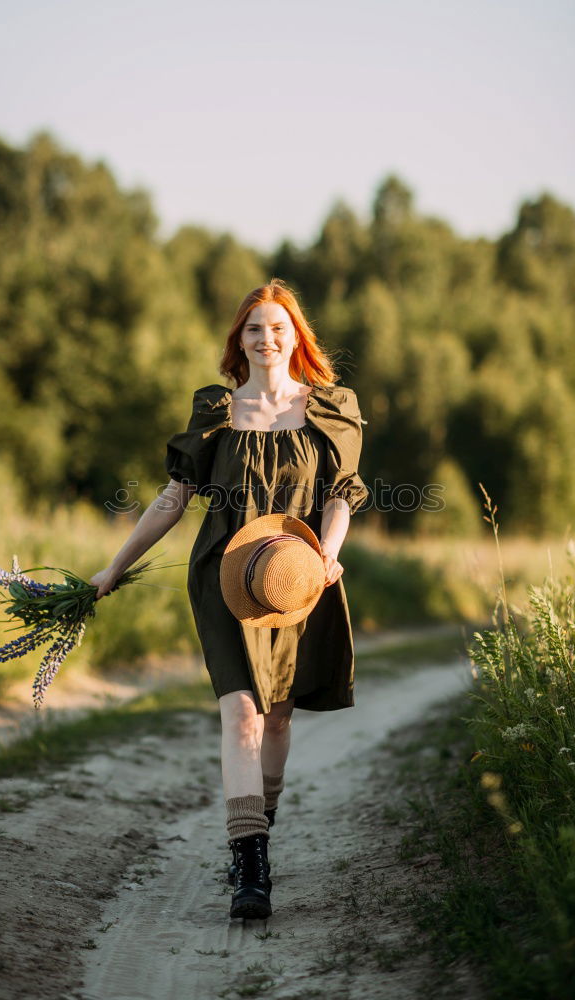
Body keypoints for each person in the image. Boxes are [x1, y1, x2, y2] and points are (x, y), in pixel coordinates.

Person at [90, 278, 369, 920]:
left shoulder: (330, 408)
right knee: (241, 712)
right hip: (222, 575)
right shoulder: (216, 411)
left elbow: (342, 492)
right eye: (253, 328)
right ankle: (250, 866)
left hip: (298, 578)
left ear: (296, 336)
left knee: (276, 717)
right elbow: (174, 498)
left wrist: (328, 552)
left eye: (278, 327)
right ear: (238, 342)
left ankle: (260, 818)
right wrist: (112, 566)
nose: (266, 337)